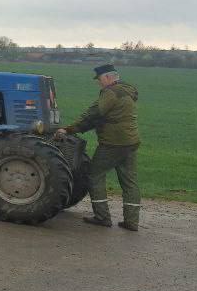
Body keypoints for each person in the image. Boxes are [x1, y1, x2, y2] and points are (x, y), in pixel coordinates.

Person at [57, 64, 141, 230]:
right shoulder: (127, 90)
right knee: (129, 181)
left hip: (113, 143)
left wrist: (68, 129)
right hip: (131, 142)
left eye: (100, 79)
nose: (99, 83)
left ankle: (102, 217)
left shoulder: (110, 93)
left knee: (95, 174)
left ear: (108, 77)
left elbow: (93, 115)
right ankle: (132, 221)